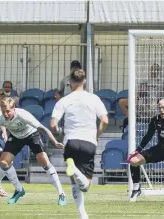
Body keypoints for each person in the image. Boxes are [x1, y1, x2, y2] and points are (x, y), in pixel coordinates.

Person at [0, 97, 67, 206]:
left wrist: (55, 142)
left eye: (8, 111)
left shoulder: (23, 115)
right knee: (3, 162)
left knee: (43, 160)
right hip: (16, 137)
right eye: (3, 112)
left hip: (31, 135)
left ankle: (61, 194)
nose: (6, 114)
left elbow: (43, 129)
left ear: (14, 109)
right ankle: (19, 190)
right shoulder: (1, 118)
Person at [50, 69, 108, 219]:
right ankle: (74, 170)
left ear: (70, 82)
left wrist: (58, 130)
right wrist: (97, 135)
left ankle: (83, 215)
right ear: (84, 81)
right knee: (86, 185)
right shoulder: (94, 98)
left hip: (71, 142)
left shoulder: (64, 100)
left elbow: (53, 125)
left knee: (75, 182)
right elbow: (105, 120)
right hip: (89, 141)